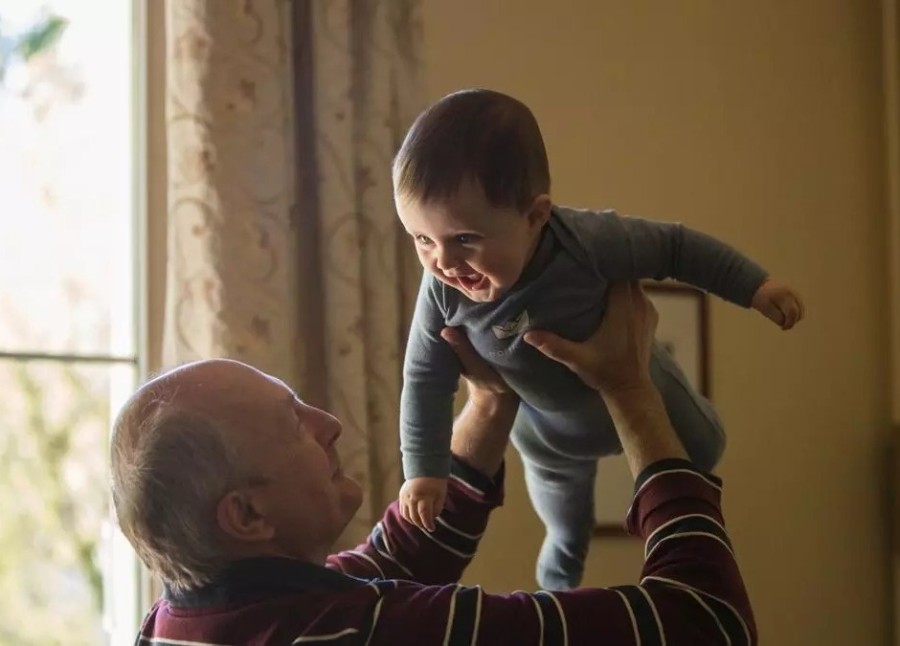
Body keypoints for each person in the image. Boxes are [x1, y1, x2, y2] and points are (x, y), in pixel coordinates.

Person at [114, 281, 757, 644]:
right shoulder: (368, 632)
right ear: (247, 515)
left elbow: (393, 560)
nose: (330, 426)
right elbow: (706, 624)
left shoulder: (183, 623)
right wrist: (630, 389)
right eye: (295, 424)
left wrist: (490, 398)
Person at [394, 87, 804, 589]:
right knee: (566, 526)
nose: (444, 262)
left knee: (705, 449)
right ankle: (558, 588)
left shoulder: (586, 242)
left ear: (535, 216)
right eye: (421, 239)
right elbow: (424, 379)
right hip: (548, 436)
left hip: (639, 382)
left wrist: (756, 286)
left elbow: (676, 248)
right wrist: (424, 470)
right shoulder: (441, 291)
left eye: (464, 239)